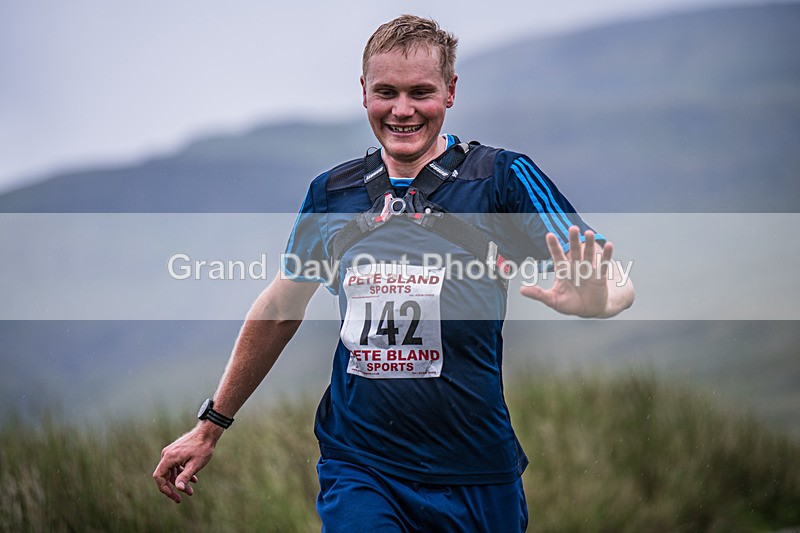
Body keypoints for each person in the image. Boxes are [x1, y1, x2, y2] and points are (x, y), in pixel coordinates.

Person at [153, 14, 635, 531]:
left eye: (420, 93)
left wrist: (596, 301)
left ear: (450, 92)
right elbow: (280, 306)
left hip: (476, 473)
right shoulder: (332, 193)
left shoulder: (501, 179)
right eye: (386, 92)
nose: (402, 110)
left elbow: (613, 282)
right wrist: (211, 425)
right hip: (360, 466)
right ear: (363, 92)